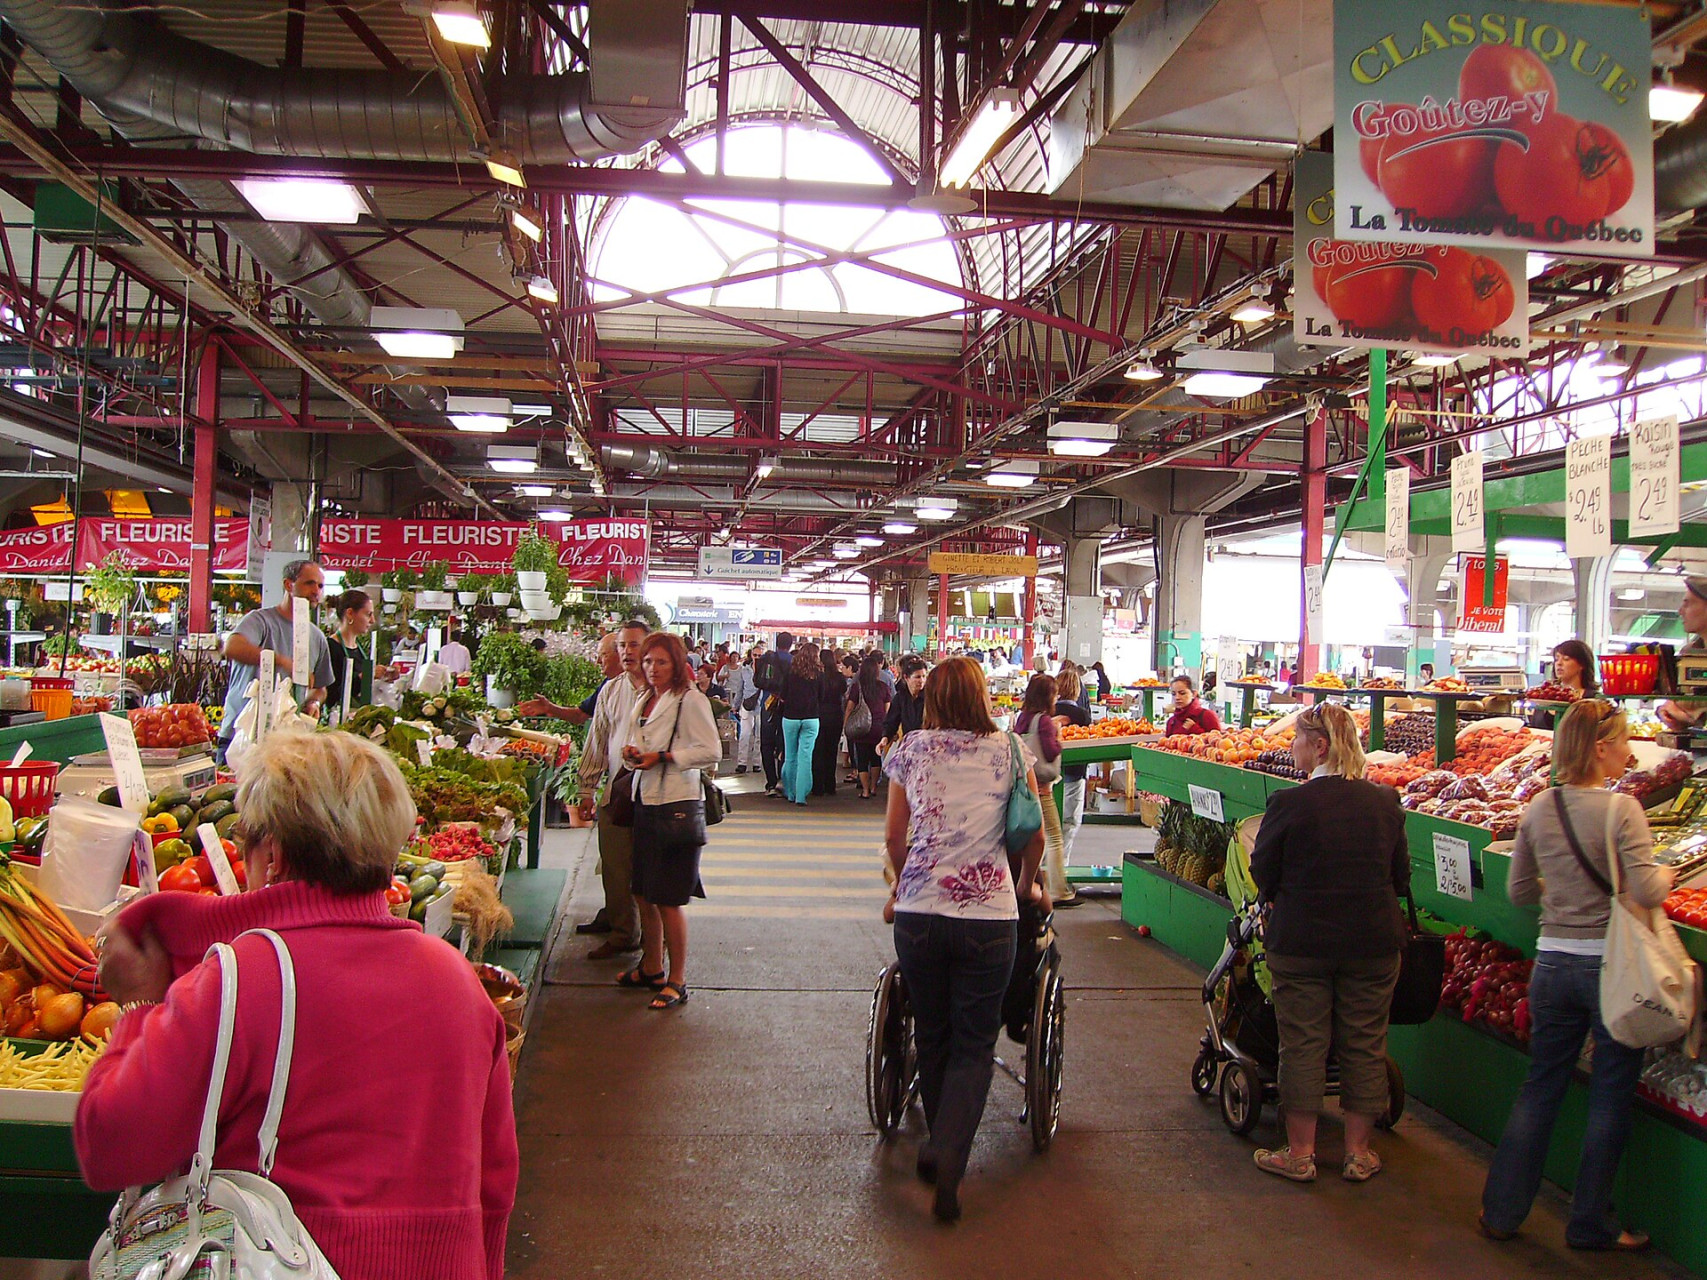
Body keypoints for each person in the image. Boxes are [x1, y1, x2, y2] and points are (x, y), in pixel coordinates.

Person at [78, 728, 516, 1279]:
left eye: (246, 839)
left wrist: (139, 1006)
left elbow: (112, 1144)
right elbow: (495, 1178)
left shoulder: (239, 980)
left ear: (275, 854)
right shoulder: (456, 980)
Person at [1481, 700, 1672, 1250]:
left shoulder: (1539, 808)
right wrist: (1665, 870)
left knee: (1541, 1087)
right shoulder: (1623, 812)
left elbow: (1518, 891)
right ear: (1598, 748)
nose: (1629, 750)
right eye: (1621, 740)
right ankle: (1589, 1224)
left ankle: (1501, 1212)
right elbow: (1647, 891)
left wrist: (1560, 899)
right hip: (1609, 971)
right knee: (1610, 1094)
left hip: (1553, 965)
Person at [882, 656, 1047, 1222]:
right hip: (989, 919)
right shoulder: (1009, 750)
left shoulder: (909, 750)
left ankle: (938, 1143)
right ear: (980, 695)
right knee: (975, 1043)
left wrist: (907, 886)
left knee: (932, 1031)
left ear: (931, 697)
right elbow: (1034, 835)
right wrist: (1024, 888)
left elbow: (894, 838)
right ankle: (949, 1156)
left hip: (920, 916)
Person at [1249, 702, 1409, 1185]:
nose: (1291, 747)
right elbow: (1399, 877)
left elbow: (1263, 871)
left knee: (1303, 1043)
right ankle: (1359, 1153)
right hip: (1373, 942)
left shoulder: (1288, 804)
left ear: (1319, 747)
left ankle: (1300, 1153)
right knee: (1364, 1043)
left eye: (1297, 739)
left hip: (1302, 941)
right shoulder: (1385, 802)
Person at [617, 631, 720, 1011]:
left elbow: (710, 750)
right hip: (646, 799)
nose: (652, 668)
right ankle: (651, 968)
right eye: (648, 661)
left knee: (670, 898)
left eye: (661, 662)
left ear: (677, 663)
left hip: (676, 805)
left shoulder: (690, 699)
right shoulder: (647, 697)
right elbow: (641, 742)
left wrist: (662, 756)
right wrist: (635, 754)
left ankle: (677, 979)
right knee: (643, 891)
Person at [576, 620, 652, 959]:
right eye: (622, 646)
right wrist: (586, 790)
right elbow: (597, 742)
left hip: (657, 795)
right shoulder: (611, 689)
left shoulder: (667, 689)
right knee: (616, 867)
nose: (627, 652)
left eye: (634, 645)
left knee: (653, 872)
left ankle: (655, 940)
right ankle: (623, 933)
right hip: (617, 793)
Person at [218, 558, 335, 760]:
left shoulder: (317, 637)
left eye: (320, 585)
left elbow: (320, 687)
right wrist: (281, 661)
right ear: (289, 585)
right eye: (309, 583)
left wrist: (313, 702)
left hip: (287, 744)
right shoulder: (260, 620)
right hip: (240, 740)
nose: (316, 591)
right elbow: (232, 647)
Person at [1016, 674, 1071, 905]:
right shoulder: (1045, 721)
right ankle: (1058, 889)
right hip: (1042, 787)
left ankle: (1030, 880)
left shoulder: (1022, 718)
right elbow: (1050, 752)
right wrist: (1058, 735)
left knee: (1026, 838)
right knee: (1054, 836)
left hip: (1023, 785)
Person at [324, 588, 399, 723]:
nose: (372, 620)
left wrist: (383, 676)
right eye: (368, 614)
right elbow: (329, 695)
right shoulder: (331, 648)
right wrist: (364, 676)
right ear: (350, 614)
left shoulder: (357, 647)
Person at [518, 630, 620, 727]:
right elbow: (580, 715)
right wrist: (549, 708)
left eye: (603, 655)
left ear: (620, 655)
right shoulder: (607, 684)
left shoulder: (633, 687)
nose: (598, 661)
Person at [1052, 666, 1092, 905]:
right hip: (1074, 776)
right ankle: (1060, 877)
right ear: (1077, 689)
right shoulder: (1082, 716)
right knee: (1068, 824)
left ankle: (1048, 873)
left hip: (1050, 778)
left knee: (1050, 828)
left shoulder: (1048, 712)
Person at [779, 642, 823, 806]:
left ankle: (790, 792)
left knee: (790, 757)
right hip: (811, 718)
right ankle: (801, 796)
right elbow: (822, 696)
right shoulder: (819, 673)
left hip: (790, 717)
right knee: (806, 757)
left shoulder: (790, 672)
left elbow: (782, 695)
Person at [846, 651, 891, 799]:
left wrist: (846, 724)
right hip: (878, 727)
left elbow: (850, 707)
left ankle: (865, 791)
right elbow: (887, 710)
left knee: (863, 759)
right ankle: (873, 788)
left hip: (861, 727)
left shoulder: (857, 687)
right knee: (876, 758)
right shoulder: (884, 687)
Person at [1528, 638, 1600, 729]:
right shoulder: (1545, 696)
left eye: (1566, 659)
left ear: (1582, 665)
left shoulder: (1592, 699)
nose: (1559, 663)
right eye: (1556, 659)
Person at [754, 633, 792, 796]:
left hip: (768, 704)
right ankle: (783, 781)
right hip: (787, 706)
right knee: (785, 745)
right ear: (790, 645)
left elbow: (757, 680)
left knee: (767, 744)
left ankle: (771, 783)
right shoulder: (794, 661)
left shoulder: (767, 658)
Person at [813, 648, 847, 796]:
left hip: (819, 715)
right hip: (836, 715)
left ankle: (818, 786)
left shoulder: (817, 677)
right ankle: (830, 785)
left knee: (818, 751)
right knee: (831, 751)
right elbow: (843, 692)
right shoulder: (839, 677)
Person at [724, 647, 762, 775]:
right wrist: (735, 705)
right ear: (751, 655)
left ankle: (757, 762)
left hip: (761, 705)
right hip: (747, 704)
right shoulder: (744, 671)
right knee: (744, 735)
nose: (757, 657)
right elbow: (740, 689)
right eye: (755, 655)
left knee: (759, 736)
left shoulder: (767, 671)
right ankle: (742, 762)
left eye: (759, 655)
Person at [882, 654, 928, 746]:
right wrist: (886, 737)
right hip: (909, 745)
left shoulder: (930, 697)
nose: (922, 680)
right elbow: (891, 721)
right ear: (906, 677)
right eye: (917, 677)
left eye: (924, 676)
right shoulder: (900, 697)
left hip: (927, 745)